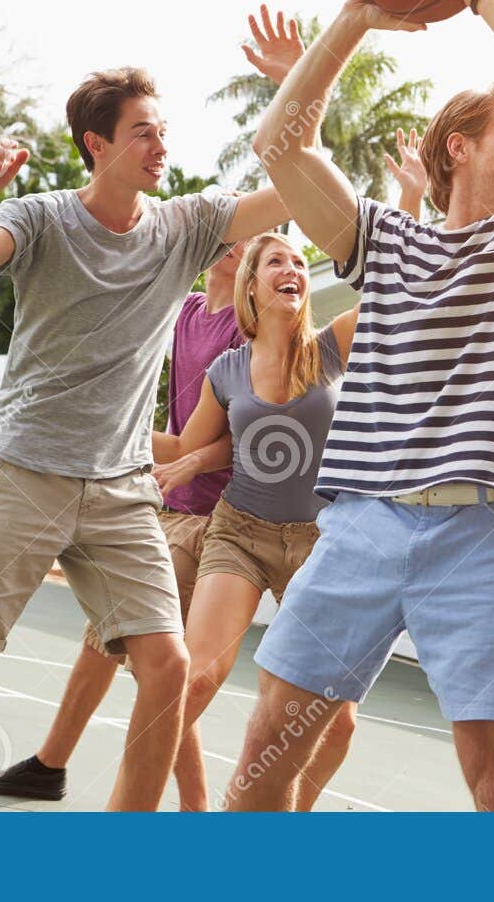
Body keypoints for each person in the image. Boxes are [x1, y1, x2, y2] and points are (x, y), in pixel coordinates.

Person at [223, 0, 494, 812]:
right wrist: (355, 14)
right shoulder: (387, 240)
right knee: (268, 741)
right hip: (360, 523)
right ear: (455, 147)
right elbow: (278, 144)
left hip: (482, 531)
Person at [0, 66, 288, 812]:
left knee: (167, 665)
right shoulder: (42, 218)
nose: (159, 143)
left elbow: (294, 191)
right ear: (97, 143)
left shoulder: (184, 226)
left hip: (119, 490)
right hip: (26, 472)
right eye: (142, 130)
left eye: (162, 128)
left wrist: (294, 88)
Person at [0, 10, 305, 810]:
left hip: (217, 518)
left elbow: (212, 436)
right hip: (143, 495)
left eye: (268, 246)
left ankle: (182, 811)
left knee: (174, 667)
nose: (239, 239)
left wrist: (176, 454)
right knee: (116, 645)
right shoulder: (178, 308)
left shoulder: (240, 324)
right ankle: (52, 762)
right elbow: (143, 409)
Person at [150, 234, 363, 810]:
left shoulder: (331, 346)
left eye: (299, 262)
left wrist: (414, 198)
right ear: (252, 283)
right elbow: (189, 445)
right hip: (239, 532)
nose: (292, 267)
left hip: (321, 545)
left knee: (338, 722)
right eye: (277, 261)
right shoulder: (227, 370)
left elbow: (390, 293)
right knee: (188, 686)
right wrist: (106, 425)